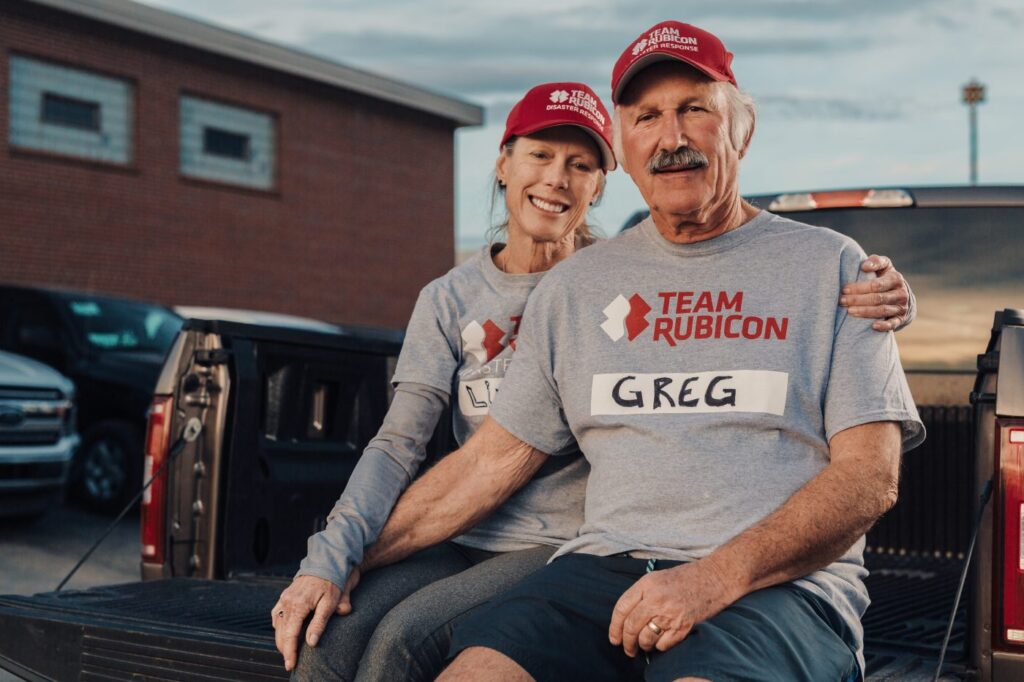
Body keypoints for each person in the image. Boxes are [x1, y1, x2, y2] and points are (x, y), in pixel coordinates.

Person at [273, 83, 913, 682]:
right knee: (338, 640)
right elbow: (459, 458)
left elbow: (868, 475)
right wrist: (338, 554)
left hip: (656, 564)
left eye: (694, 108)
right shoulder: (556, 293)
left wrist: (711, 578)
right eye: (646, 118)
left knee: (403, 640)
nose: (556, 177)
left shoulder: (829, 267)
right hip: (580, 564)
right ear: (504, 163)